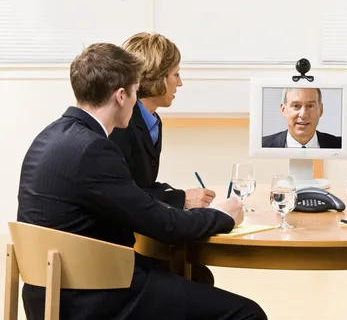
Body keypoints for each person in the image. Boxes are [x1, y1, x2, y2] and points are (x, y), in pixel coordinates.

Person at [17, 43, 267, 320]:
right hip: (95, 297)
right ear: (121, 96)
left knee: (193, 278)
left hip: (48, 292)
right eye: (136, 92)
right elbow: (165, 225)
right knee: (247, 314)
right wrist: (221, 216)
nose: (137, 103)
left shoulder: (49, 136)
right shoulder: (94, 149)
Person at [109, 32, 215, 283]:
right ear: (156, 77)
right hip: (117, 250)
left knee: (199, 274)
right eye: (175, 74)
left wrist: (182, 197)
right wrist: (180, 198)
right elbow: (127, 193)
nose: (180, 83)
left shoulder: (152, 121)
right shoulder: (121, 125)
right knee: (197, 277)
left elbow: (141, 185)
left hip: (137, 232)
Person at [262, 87, 341, 148]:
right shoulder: (263, 145)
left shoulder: (341, 146)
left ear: (321, 110)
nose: (303, 114)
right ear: (283, 109)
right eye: (296, 106)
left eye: (310, 106)